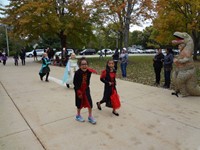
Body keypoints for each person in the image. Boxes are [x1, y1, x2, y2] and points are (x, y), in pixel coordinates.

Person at [73, 57, 97, 124]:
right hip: (79, 90)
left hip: (86, 89)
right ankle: (78, 115)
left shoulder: (89, 72)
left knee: (89, 102)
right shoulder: (77, 73)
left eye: (86, 64)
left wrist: (93, 71)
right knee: (79, 103)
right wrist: (78, 91)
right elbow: (75, 83)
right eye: (82, 64)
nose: (84, 66)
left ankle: (90, 116)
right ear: (80, 65)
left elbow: (89, 72)